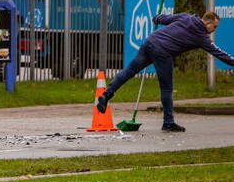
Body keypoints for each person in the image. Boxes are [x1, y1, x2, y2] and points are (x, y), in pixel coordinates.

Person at [97, 11, 234, 132]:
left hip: (150, 41)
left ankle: (106, 95)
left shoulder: (185, 17)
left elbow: (162, 18)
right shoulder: (201, 36)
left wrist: (156, 18)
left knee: (129, 71)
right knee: (167, 88)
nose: (213, 30)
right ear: (207, 22)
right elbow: (220, 54)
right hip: (163, 52)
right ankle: (168, 123)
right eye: (214, 27)